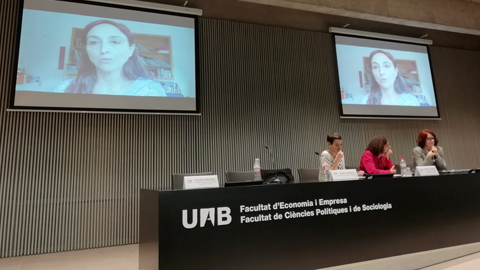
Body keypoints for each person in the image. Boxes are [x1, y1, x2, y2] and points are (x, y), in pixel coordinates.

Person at [55, 20, 167, 96]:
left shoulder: (150, 91)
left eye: (115, 42)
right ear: (86, 50)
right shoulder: (64, 89)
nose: (103, 49)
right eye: (94, 42)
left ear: (131, 50)